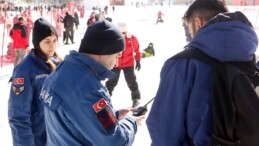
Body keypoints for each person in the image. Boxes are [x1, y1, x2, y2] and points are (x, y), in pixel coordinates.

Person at [145, 0, 258, 145]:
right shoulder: (250, 57)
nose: (191, 34)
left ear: (198, 23)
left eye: (189, 28)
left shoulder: (181, 65)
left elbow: (164, 131)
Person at [39, 20, 145, 146]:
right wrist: (130, 121)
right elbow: (115, 142)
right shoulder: (88, 89)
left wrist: (114, 115)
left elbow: (77, 115)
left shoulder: (62, 70)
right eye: (117, 55)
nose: (116, 62)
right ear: (103, 53)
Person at [8, 18, 62, 146]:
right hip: (39, 139)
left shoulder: (58, 63)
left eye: (55, 41)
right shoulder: (24, 70)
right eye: (47, 41)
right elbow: (18, 116)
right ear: (37, 43)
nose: (52, 46)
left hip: (58, 137)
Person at [105, 22, 141, 107]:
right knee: (111, 81)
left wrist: (138, 61)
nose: (122, 34)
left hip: (129, 63)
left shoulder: (132, 39)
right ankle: (105, 97)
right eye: (120, 32)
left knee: (131, 81)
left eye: (124, 32)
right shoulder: (113, 38)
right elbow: (108, 51)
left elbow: (137, 50)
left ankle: (136, 98)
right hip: (115, 64)